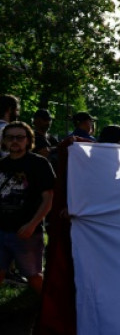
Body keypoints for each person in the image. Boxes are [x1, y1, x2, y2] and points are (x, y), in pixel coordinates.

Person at [0, 121, 56, 294]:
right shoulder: (1, 164)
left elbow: (48, 199)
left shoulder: (38, 164)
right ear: (4, 141)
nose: (15, 141)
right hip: (1, 230)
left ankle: (48, 308)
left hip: (27, 233)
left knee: (33, 277)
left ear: (28, 140)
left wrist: (32, 224)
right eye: (10, 137)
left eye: (20, 137)